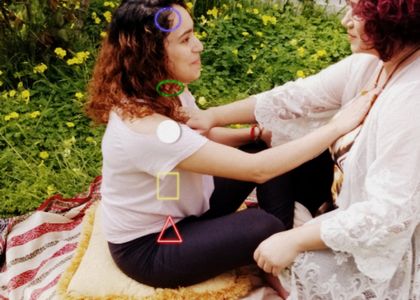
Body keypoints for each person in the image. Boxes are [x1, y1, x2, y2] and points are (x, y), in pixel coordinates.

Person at [85, 0, 371, 289]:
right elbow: (256, 170)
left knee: (276, 149)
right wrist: (338, 125)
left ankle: (277, 241)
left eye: (193, 33)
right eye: (185, 40)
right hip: (155, 244)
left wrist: (256, 135)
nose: (198, 46)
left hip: (183, 204)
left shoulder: (163, 89)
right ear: (150, 53)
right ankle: (274, 246)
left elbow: (197, 137)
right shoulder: (148, 129)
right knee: (262, 224)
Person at [188, 0, 420, 298]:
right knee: (275, 154)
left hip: (378, 239)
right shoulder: (373, 63)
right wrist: (213, 116)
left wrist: (295, 241)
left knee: (276, 255)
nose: (345, 21)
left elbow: (389, 213)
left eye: (358, 13)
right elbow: (297, 98)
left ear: (393, 20)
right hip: (336, 199)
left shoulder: (411, 99)